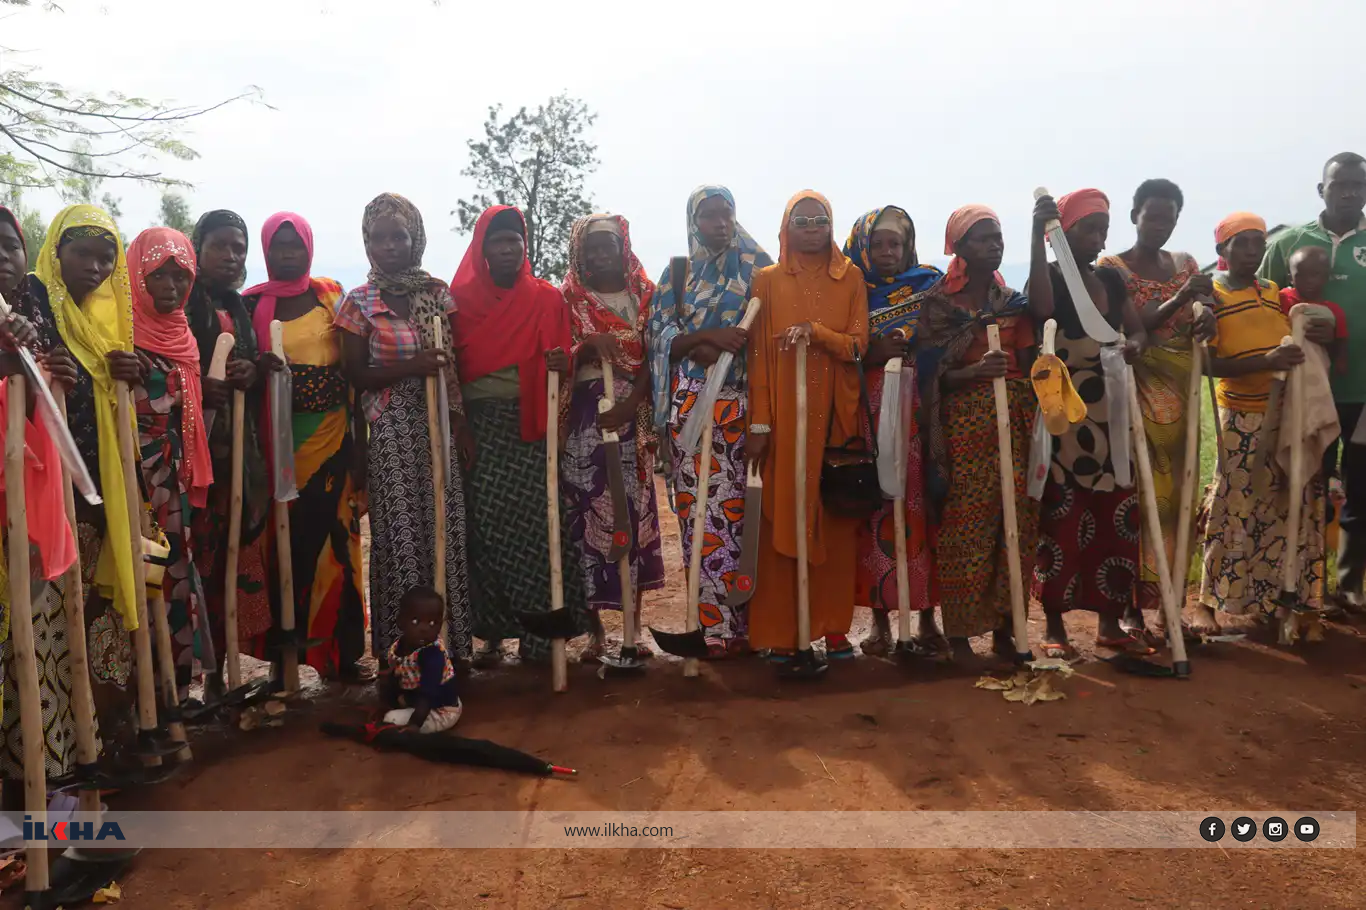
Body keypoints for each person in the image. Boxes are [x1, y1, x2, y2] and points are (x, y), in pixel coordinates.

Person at [16, 205, 142, 760]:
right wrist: (50, 368)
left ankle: (110, 736)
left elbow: (124, 394)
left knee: (104, 616)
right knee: (58, 616)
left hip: (106, 486)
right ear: (54, 253)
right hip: (51, 487)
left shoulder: (114, 314)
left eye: (105, 257)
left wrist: (129, 375)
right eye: (81, 254)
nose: (94, 267)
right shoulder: (34, 302)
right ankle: (64, 750)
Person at [336, 194, 472, 663]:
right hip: (391, 427)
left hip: (438, 421)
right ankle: (404, 656)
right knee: (401, 535)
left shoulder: (436, 294)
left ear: (415, 238)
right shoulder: (357, 303)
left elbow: (455, 366)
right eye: (380, 237)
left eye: (400, 236)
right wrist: (412, 366)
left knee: (445, 530)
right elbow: (355, 376)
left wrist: (460, 426)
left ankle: (453, 651)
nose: (390, 245)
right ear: (367, 242)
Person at [449, 205, 586, 665]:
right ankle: (491, 632)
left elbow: (563, 359)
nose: (508, 249)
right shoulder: (459, 301)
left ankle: (542, 635)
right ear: (482, 248)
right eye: (498, 241)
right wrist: (462, 426)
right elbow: (452, 368)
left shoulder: (546, 298)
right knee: (485, 525)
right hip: (482, 427)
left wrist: (560, 363)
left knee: (540, 524)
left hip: (532, 421)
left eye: (515, 241)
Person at [913, 204, 1044, 665]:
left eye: (998, 236)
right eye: (983, 237)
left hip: (1016, 422)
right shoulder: (939, 306)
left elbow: (1029, 363)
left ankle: (1010, 632)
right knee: (966, 528)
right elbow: (930, 378)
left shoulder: (1011, 304)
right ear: (960, 248)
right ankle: (962, 637)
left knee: (1017, 525)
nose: (995, 244)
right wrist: (973, 372)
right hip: (966, 426)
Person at [743, 190, 869, 663]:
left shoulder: (851, 278)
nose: (812, 226)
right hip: (784, 418)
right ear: (787, 227)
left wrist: (817, 333)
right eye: (803, 219)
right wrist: (759, 423)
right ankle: (780, 631)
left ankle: (833, 629)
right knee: (784, 514)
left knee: (832, 521)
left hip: (836, 416)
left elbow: (858, 346)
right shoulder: (767, 281)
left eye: (820, 219)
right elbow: (756, 358)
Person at [648, 186, 773, 658]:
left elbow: (770, 343)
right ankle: (712, 628)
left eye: (727, 214)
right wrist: (705, 339)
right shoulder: (678, 274)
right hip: (690, 413)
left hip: (742, 408)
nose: (720, 223)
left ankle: (752, 624)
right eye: (709, 216)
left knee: (744, 516)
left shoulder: (760, 273)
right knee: (698, 517)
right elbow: (659, 336)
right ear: (693, 221)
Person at [243, 212, 368, 683]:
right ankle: (285, 662)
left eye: (296, 245)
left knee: (336, 545)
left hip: (334, 434)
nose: (288, 253)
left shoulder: (331, 295)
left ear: (310, 247)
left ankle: (343, 653)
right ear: (267, 251)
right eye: (279, 246)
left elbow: (353, 366)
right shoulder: (250, 306)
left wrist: (360, 447)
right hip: (279, 440)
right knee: (285, 546)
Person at [1029, 189, 1150, 656]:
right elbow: (1039, 310)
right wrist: (1037, 238)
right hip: (1065, 411)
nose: (1097, 237)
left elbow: (1135, 328)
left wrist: (1136, 344)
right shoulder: (1053, 278)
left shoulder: (1111, 280)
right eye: (1088, 228)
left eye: (1103, 228)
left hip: (1112, 414)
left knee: (1116, 515)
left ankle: (1109, 622)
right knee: (1061, 515)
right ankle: (1055, 626)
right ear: (1064, 232)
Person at [1097, 179, 1214, 638]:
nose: (1161, 226)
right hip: (1137, 391)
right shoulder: (1114, 268)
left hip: (1183, 395)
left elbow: (1205, 317)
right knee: (1141, 499)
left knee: (1179, 501)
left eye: (1170, 218)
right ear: (1135, 217)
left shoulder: (1187, 264)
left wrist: (1207, 313)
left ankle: (1170, 606)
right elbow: (1134, 324)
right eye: (1153, 216)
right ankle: (1131, 607)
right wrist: (1182, 299)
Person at [1203, 213, 1331, 625]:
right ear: (1222, 249)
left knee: (1275, 507)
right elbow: (1207, 364)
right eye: (1243, 243)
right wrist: (1267, 360)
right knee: (1231, 505)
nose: (1253, 251)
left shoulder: (1272, 290)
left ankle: (1263, 599)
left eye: (1259, 243)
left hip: (1281, 413)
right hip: (1239, 416)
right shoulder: (1212, 296)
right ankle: (1209, 603)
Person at [0, 206, 82, 805]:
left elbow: (54, 418)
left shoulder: (34, 320)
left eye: (9, 247)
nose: (2, 258)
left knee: (33, 640)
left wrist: (54, 377)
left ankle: (33, 776)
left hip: (29, 506)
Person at [1260, 152, 1366, 611]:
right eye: (1339, 184)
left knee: (1360, 492)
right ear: (1320, 189)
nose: (1349, 192)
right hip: (1307, 391)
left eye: (1359, 185)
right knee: (1305, 484)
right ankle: (1302, 583)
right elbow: (1259, 303)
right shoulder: (1289, 242)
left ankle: (1349, 585)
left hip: (1362, 390)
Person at [560, 214, 666, 658]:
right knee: (586, 517)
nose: (601, 255)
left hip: (630, 419)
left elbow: (654, 357)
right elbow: (554, 354)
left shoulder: (645, 295)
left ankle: (634, 624)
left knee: (633, 514)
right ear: (579, 252)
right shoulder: (566, 298)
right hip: (586, 421)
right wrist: (585, 346)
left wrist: (628, 404)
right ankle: (595, 631)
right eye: (592, 248)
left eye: (608, 245)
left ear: (623, 246)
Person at [841, 206, 943, 655]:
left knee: (923, 514)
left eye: (895, 244)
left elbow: (949, 336)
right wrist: (873, 352)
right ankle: (879, 621)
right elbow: (842, 353)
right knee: (877, 514)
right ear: (863, 246)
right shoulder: (852, 293)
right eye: (878, 244)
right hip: (870, 413)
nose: (887, 252)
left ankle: (927, 619)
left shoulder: (931, 285)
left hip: (922, 413)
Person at [186, 210, 272, 687]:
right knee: (202, 556)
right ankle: (195, 674)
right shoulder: (181, 302)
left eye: (239, 248)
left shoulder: (240, 308)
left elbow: (250, 362)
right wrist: (200, 388)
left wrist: (253, 371)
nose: (231, 255)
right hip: (198, 454)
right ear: (198, 246)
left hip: (239, 452)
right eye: (221, 245)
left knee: (232, 559)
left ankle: (221, 674)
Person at [127, 228, 212, 697]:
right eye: (159, 275)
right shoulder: (119, 334)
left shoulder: (184, 335)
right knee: (140, 573)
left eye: (181, 276)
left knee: (175, 569)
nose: (171, 287)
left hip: (173, 479)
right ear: (136, 276)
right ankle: (140, 692)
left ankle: (176, 688)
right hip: (135, 479)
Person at [380, 586, 461, 734]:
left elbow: (428, 695)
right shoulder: (401, 646)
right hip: (418, 699)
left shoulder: (433, 656)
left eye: (432, 623)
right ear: (400, 622)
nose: (424, 629)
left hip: (441, 710)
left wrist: (414, 724)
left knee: (390, 720)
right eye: (416, 621)